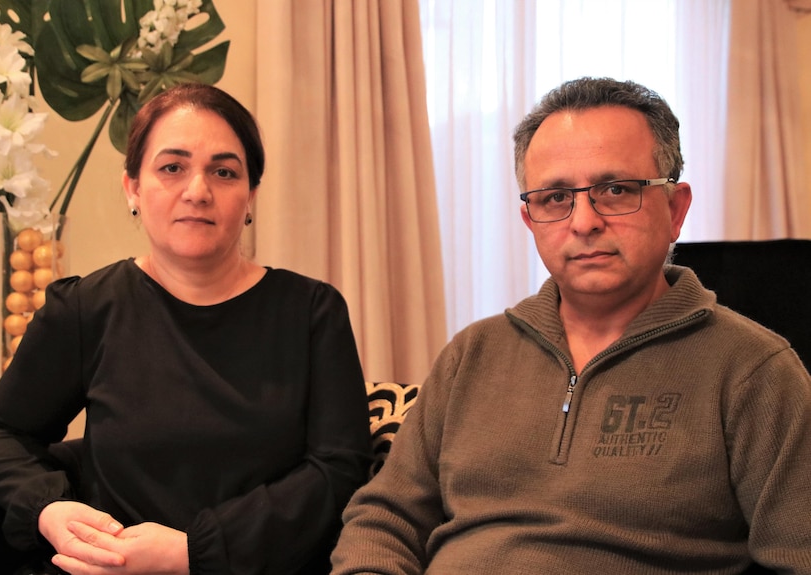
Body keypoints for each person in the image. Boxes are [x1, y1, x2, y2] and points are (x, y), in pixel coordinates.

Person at [329, 77, 811, 574]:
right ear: (530, 219)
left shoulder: (755, 372)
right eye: (556, 197)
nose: (583, 222)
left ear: (675, 209)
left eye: (616, 189)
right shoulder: (472, 354)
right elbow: (386, 518)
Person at [0, 83, 373, 575]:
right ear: (133, 188)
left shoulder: (311, 312)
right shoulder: (86, 308)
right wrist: (48, 509)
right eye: (172, 167)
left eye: (224, 172)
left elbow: (339, 470)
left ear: (249, 197)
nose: (197, 190)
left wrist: (191, 552)